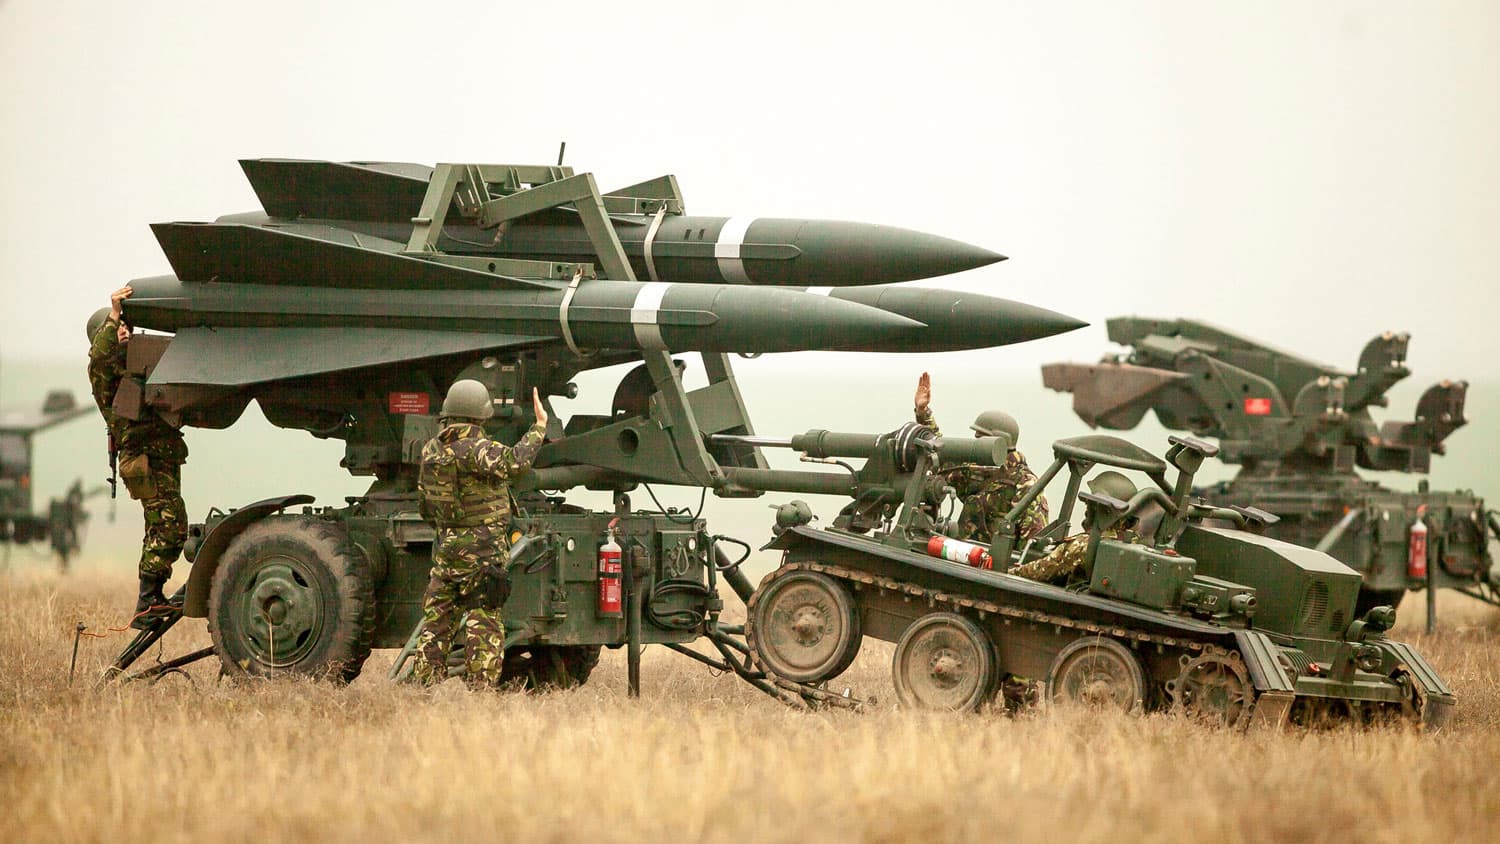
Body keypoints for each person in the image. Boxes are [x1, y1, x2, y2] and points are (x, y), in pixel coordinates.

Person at [413, 379, 548, 688]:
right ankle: (481, 691)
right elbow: (516, 463)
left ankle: (424, 688)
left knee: (436, 622)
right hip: (482, 555)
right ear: (482, 415)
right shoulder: (477, 448)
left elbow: (425, 505)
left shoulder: (432, 450)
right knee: (483, 621)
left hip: (446, 551)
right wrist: (539, 427)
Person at [86, 285, 189, 629]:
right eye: (118, 329)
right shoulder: (105, 376)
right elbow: (99, 356)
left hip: (160, 457)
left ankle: (152, 598)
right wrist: (113, 312)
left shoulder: (135, 370)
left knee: (163, 526)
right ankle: (147, 603)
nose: (124, 331)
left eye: (126, 327)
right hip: (144, 459)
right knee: (169, 528)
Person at [914, 371, 1048, 542]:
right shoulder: (975, 467)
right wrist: (923, 413)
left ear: (999, 442)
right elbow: (940, 454)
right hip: (961, 557)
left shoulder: (1027, 486)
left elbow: (1031, 544)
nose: (974, 443)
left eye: (980, 438)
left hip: (990, 566)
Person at [1010, 471, 1141, 585]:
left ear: (1101, 510)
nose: (1086, 511)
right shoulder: (1134, 548)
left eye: (1090, 505)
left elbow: (1037, 571)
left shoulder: (1084, 545)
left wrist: (1004, 571)